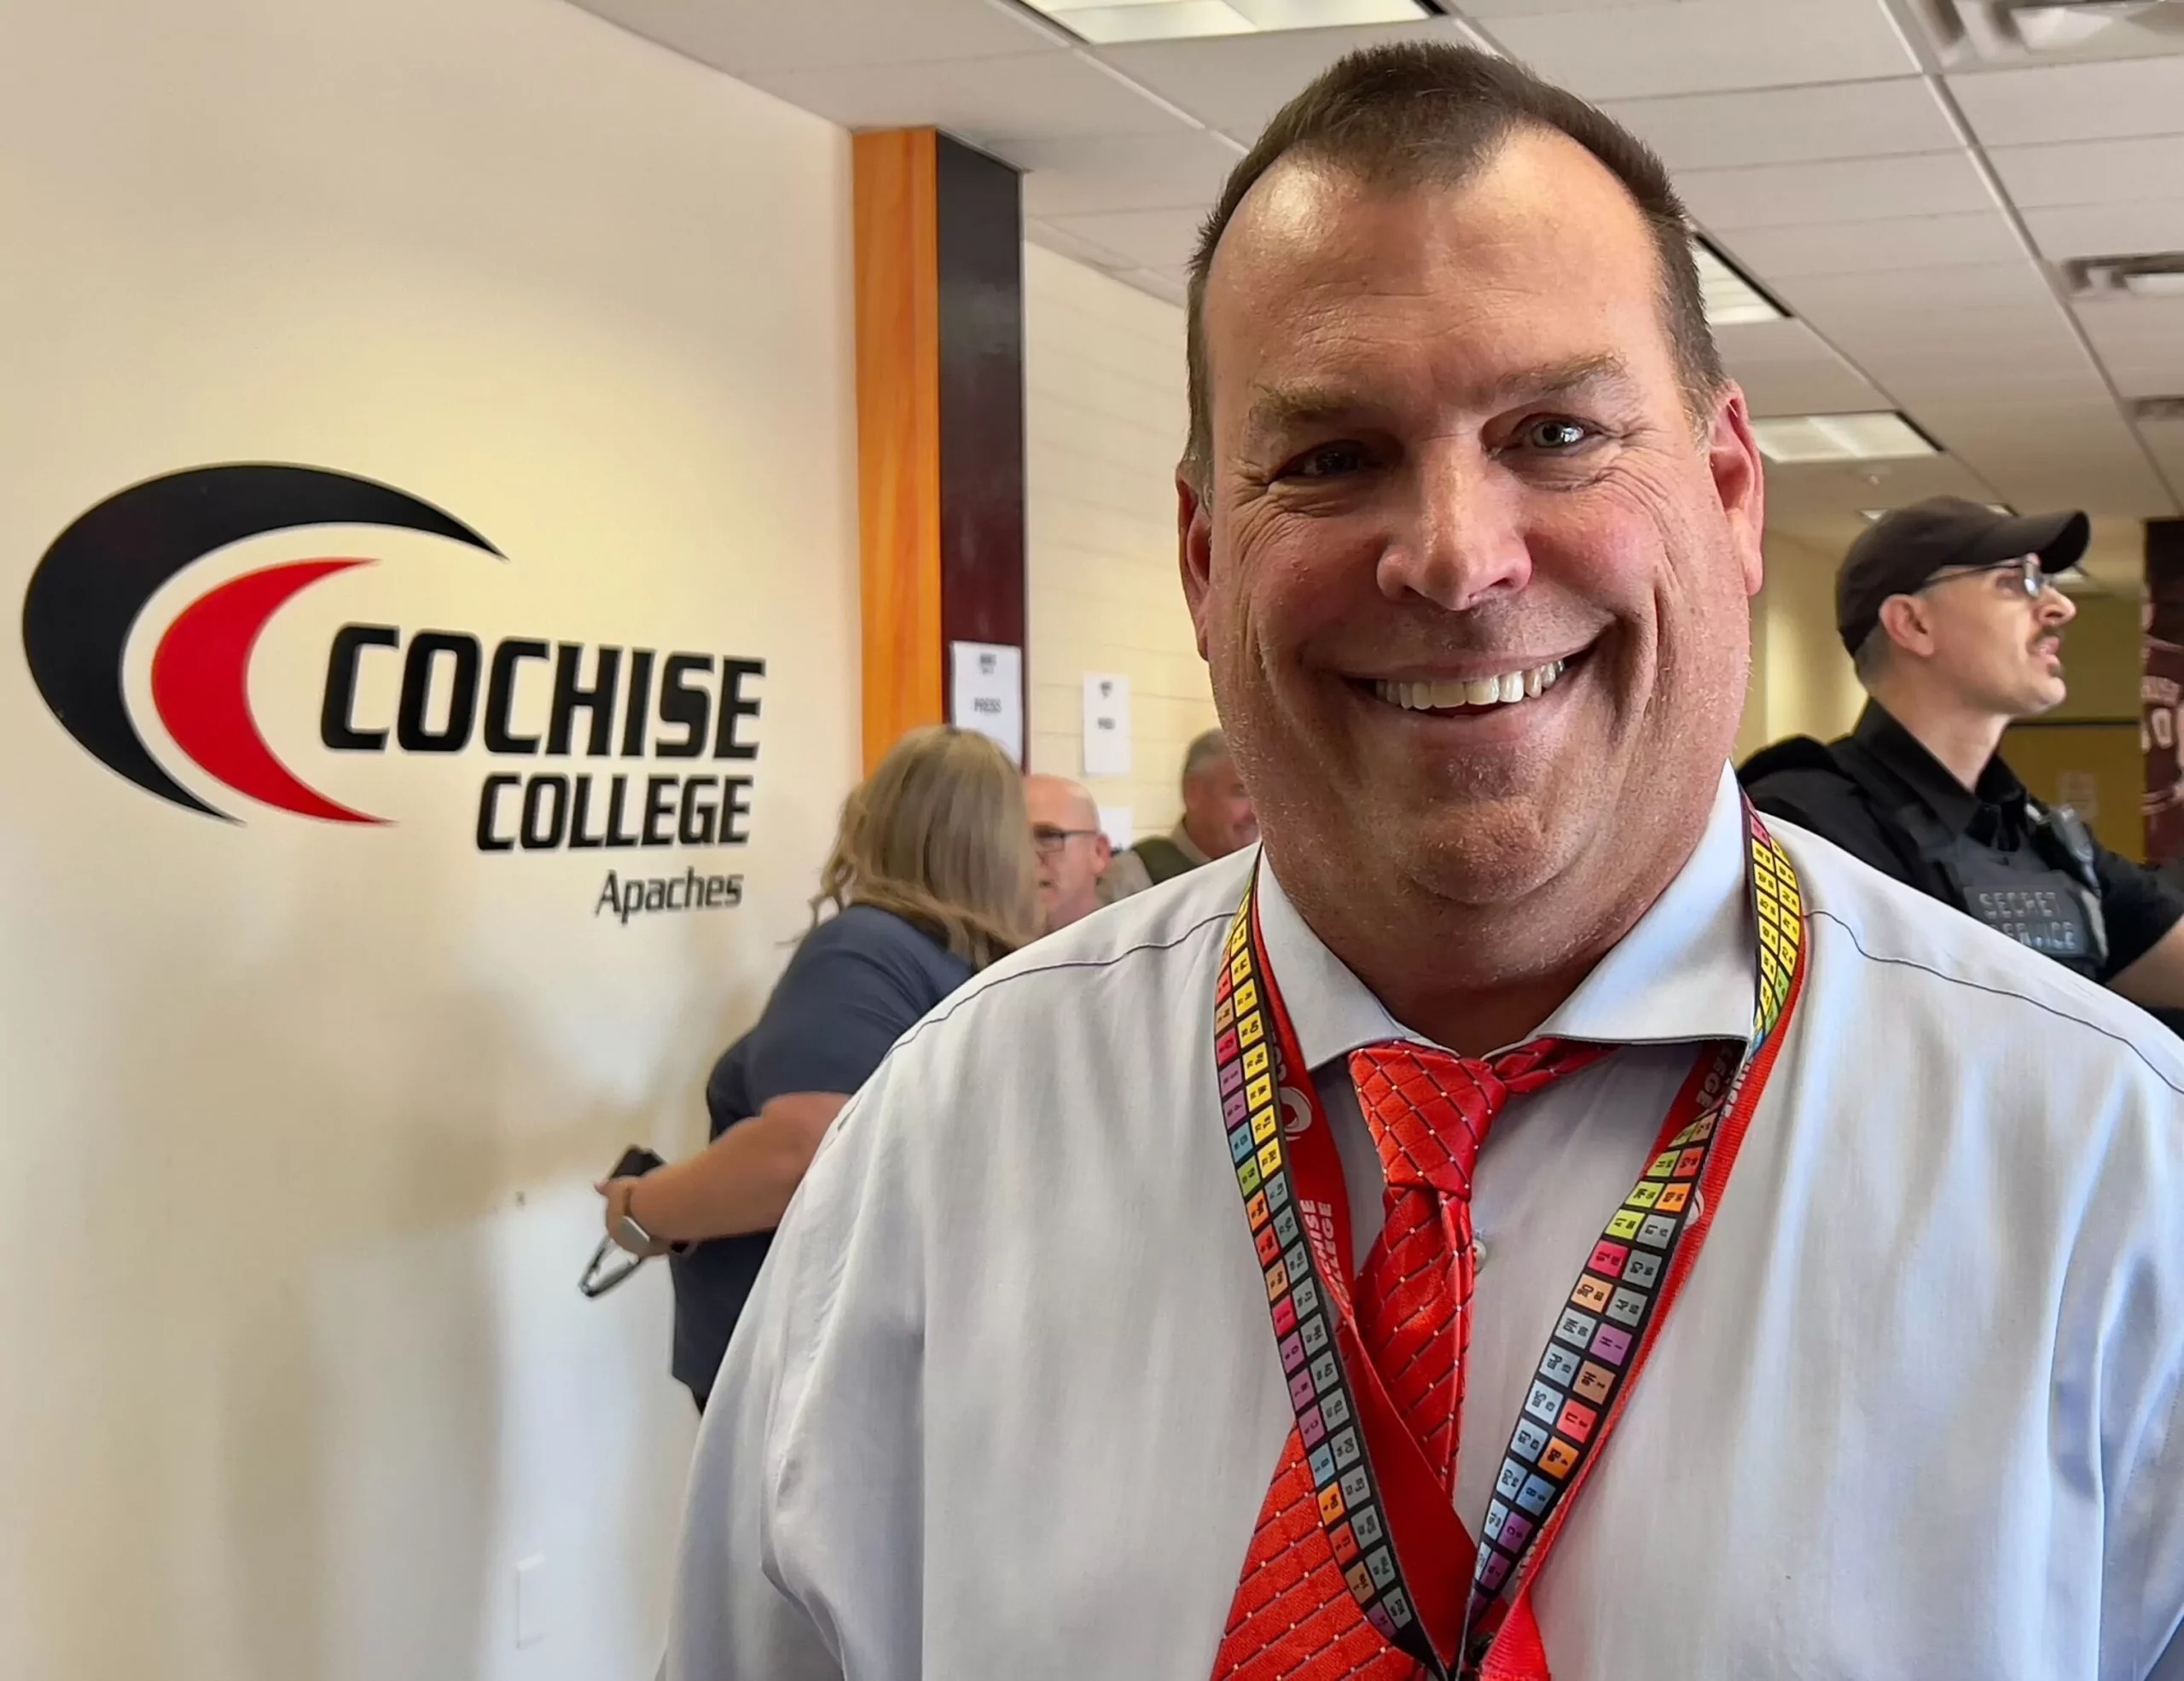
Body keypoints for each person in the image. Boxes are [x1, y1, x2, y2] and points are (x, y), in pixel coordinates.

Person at [666, 44, 2184, 1681]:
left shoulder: (2102, 1172)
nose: (1457, 557)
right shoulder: (947, 1150)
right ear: (1203, 556)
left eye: (1557, 431)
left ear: (1731, 493)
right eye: (1330, 458)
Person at [597, 725, 1037, 1411]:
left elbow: (803, 1150)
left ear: (875, 821)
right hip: (911, 1361)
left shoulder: (859, 951)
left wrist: (641, 1209)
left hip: (801, 1376)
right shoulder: (1001, 968)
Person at [1740, 497, 2184, 1011]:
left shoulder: (2040, 836)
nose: (2061, 607)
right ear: (1914, 625)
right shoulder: (1802, 823)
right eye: (2015, 582)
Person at [1102, 727, 1258, 899]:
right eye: (1241, 793)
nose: (1256, 815)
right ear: (1194, 793)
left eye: (1263, 797)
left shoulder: (1266, 878)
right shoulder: (1132, 879)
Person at [1025, 771, 1112, 933]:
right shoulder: (979, 945)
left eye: (1047, 837)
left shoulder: (1137, 943)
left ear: (1098, 852)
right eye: (1012, 840)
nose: (1023, 856)